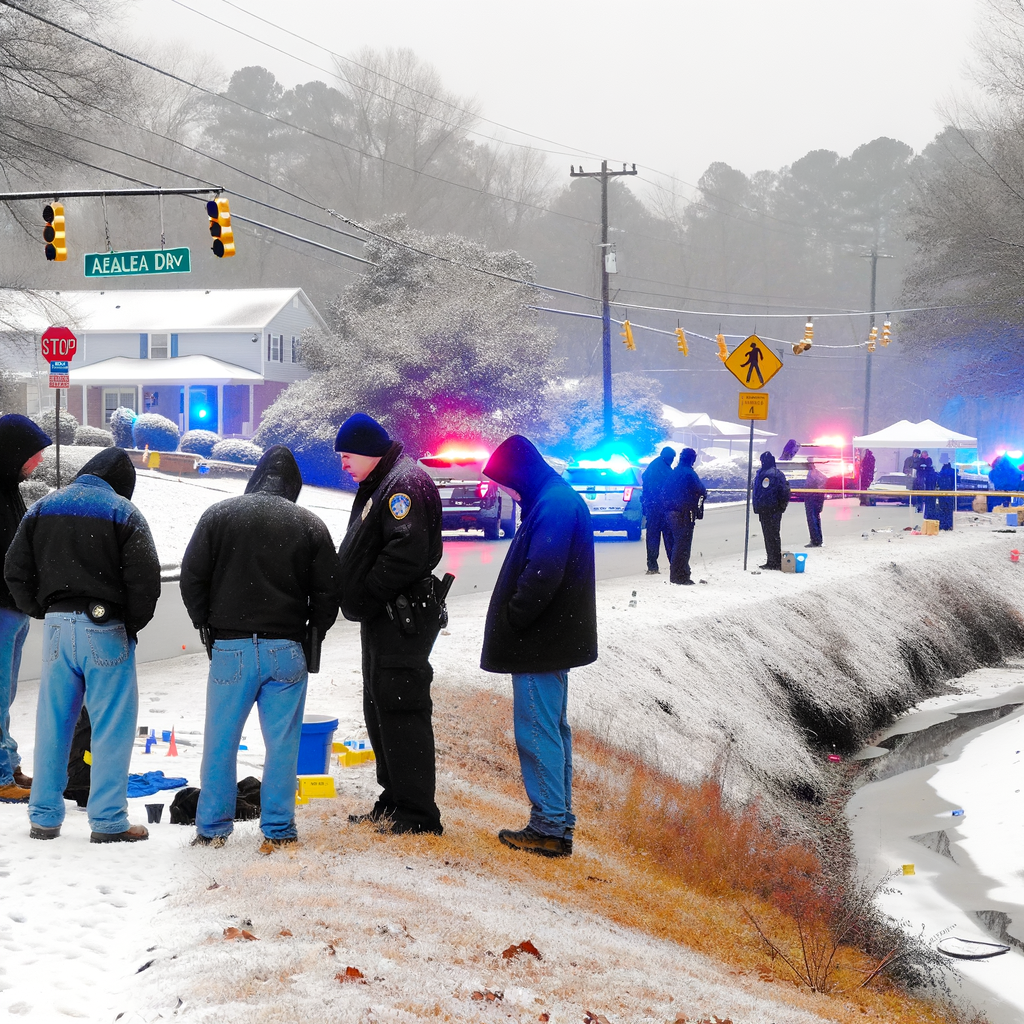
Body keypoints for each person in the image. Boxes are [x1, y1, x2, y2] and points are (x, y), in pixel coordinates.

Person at [180, 446, 340, 853]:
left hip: (230, 647)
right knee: (283, 744)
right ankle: (279, 831)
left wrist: (207, 625)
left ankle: (213, 829)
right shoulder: (310, 524)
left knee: (221, 741)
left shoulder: (219, 515)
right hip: (286, 648)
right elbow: (327, 594)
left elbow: (192, 578)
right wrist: (312, 631)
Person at [4, 448, 160, 841]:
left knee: (53, 721)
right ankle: (108, 822)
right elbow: (146, 582)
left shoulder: (42, 507)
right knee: (111, 726)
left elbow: (14, 569)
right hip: (106, 628)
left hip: (58, 626)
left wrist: (42, 609)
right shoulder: (123, 512)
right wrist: (130, 625)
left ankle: (43, 817)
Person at [480, 435, 597, 858]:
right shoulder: (556, 498)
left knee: (538, 730)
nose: (505, 493)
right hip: (554, 640)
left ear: (519, 475)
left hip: (539, 642)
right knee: (553, 729)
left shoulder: (553, 504)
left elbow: (542, 573)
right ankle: (557, 821)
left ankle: (548, 826)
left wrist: (514, 618)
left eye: (505, 484)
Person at [335, 413, 445, 835]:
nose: (343, 465)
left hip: (400, 616)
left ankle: (417, 813)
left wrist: (365, 593)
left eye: (347, 456)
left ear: (367, 452)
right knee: (379, 705)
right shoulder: (383, 480)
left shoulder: (403, 485)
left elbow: (406, 554)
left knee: (401, 708)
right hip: (385, 614)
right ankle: (395, 797)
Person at [0, 415, 51, 803]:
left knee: (7, 693)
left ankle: (8, 761)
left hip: (13, 607)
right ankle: (1, 775)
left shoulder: (10, 489)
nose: (37, 463)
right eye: (33, 455)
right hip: (1, 608)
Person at [665, 448, 706, 585]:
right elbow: (701, 490)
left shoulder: (674, 472)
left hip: (670, 512)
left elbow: (664, 491)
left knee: (677, 543)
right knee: (683, 545)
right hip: (684, 513)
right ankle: (680, 576)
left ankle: (676, 574)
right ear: (692, 459)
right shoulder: (689, 474)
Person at [752, 451, 790, 571]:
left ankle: (775, 561)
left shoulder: (773, 474)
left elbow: (784, 492)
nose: (762, 463)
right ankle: (771, 560)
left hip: (771, 509)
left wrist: (780, 506)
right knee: (769, 535)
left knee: (772, 535)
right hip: (765, 509)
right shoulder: (763, 473)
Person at [641, 446, 675, 574]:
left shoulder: (654, 466)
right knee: (667, 537)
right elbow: (668, 486)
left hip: (653, 507)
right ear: (668, 457)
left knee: (653, 537)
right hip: (660, 508)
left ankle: (652, 566)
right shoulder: (662, 469)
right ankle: (672, 564)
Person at [804, 460, 827, 548]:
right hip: (816, 498)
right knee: (815, 518)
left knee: (812, 518)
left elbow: (809, 485)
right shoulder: (819, 474)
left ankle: (815, 540)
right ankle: (817, 539)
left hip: (812, 497)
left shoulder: (813, 474)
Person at [936, 457, 955, 531]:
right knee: (948, 510)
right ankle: (948, 525)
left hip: (944, 492)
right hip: (949, 493)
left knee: (943, 509)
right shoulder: (952, 471)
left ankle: (944, 525)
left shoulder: (942, 471)